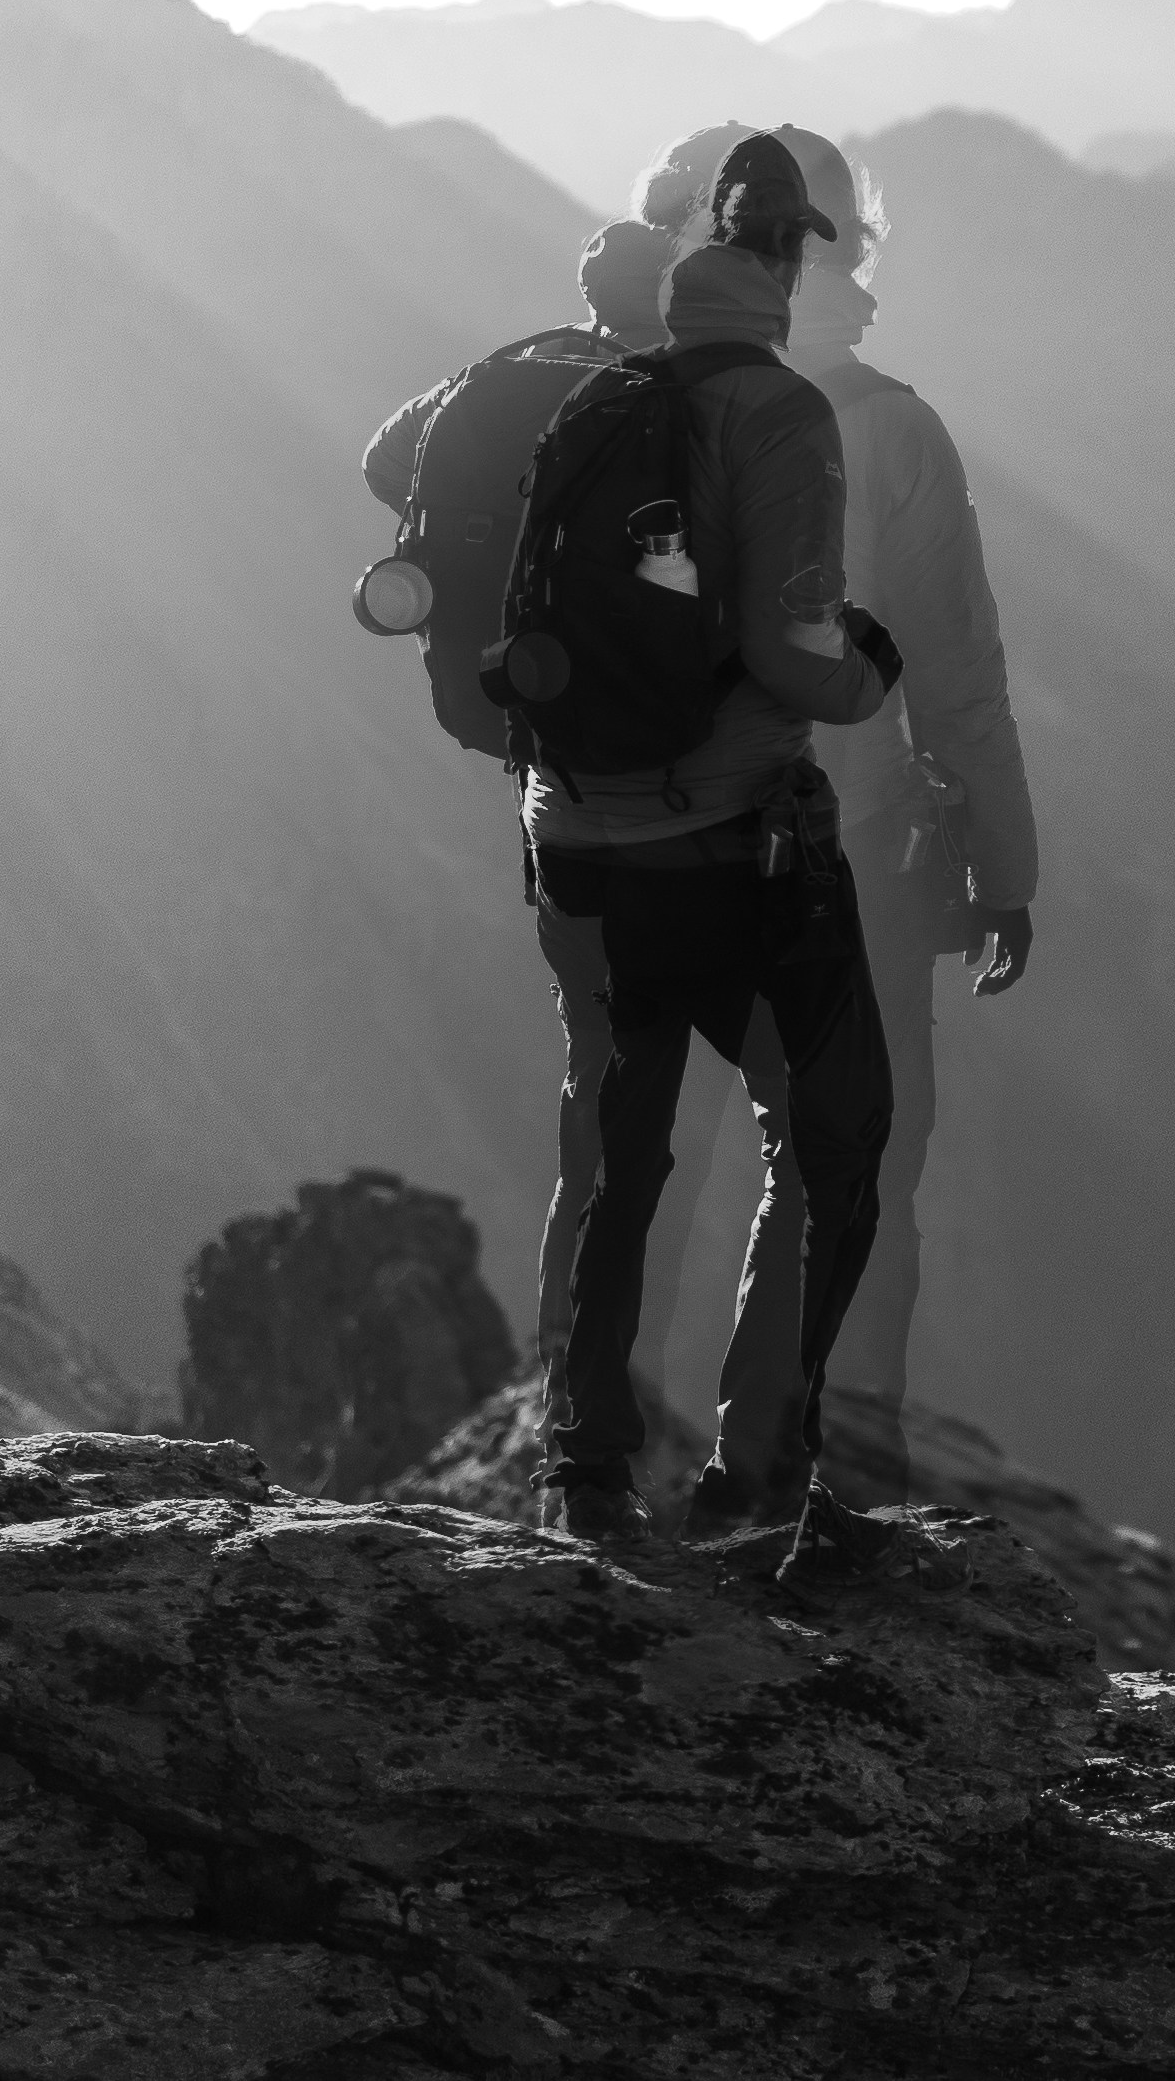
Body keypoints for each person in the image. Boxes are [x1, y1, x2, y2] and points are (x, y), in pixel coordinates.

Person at [521, 133, 908, 1575]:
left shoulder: (596, 401)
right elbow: (791, 649)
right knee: (831, 1136)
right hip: (735, 847)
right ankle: (754, 1490)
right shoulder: (781, 413)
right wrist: (872, 665)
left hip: (575, 838)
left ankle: (584, 1470)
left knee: (615, 1144)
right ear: (788, 272)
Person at [685, 123, 1035, 1529]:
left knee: (641, 1150)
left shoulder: (644, 397)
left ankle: (617, 1476)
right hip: (846, 854)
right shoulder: (888, 423)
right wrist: (1003, 873)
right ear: (851, 243)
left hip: (650, 846)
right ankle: (824, 1481)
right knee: (856, 1166)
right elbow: (954, 669)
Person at [366, 215, 681, 1366]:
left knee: (593, 1071)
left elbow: (380, 463)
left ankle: (570, 1384)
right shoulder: (674, 398)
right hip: (654, 765)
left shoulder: (501, 371)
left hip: (527, 741)